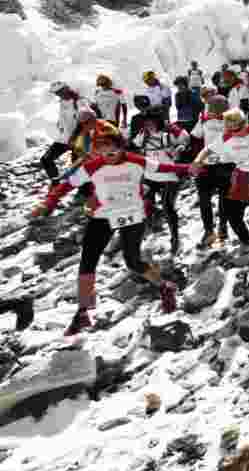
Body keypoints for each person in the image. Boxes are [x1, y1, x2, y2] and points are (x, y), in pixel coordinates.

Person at [30, 122, 199, 335]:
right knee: (88, 262)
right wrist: (48, 203)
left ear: (121, 145)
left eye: (112, 146)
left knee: (133, 262)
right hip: (102, 216)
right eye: (100, 147)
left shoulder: (135, 161)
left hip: (132, 215)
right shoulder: (92, 166)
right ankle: (83, 312)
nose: (107, 151)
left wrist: (188, 168)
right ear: (95, 149)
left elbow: (164, 169)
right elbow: (66, 185)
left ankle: (164, 286)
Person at [201, 109, 249, 272]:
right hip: (242, 176)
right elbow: (208, 149)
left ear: (244, 124)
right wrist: (197, 161)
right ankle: (247, 241)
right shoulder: (227, 137)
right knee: (232, 214)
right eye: (230, 130)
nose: (234, 133)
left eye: (237, 129)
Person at [130, 108, 191, 255]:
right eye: (146, 123)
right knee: (143, 202)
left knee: (168, 207)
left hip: (170, 175)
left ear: (158, 121)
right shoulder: (143, 134)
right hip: (150, 176)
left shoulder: (170, 132)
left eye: (151, 122)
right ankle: (151, 226)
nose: (149, 125)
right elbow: (134, 145)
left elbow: (186, 139)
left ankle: (175, 237)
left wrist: (180, 148)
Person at [191, 95, 233, 247]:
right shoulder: (233, 122)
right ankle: (222, 227)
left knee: (204, 200)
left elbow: (195, 136)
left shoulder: (204, 121)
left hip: (207, 164)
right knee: (224, 198)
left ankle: (209, 230)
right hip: (226, 165)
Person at [39, 82, 82, 183]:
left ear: (66, 89)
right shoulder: (62, 102)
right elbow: (64, 117)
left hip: (78, 139)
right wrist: (60, 124)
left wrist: (74, 136)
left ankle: (83, 191)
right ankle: (56, 183)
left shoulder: (79, 101)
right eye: (56, 93)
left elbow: (85, 121)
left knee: (76, 167)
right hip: (64, 138)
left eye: (59, 91)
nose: (58, 94)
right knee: (46, 159)